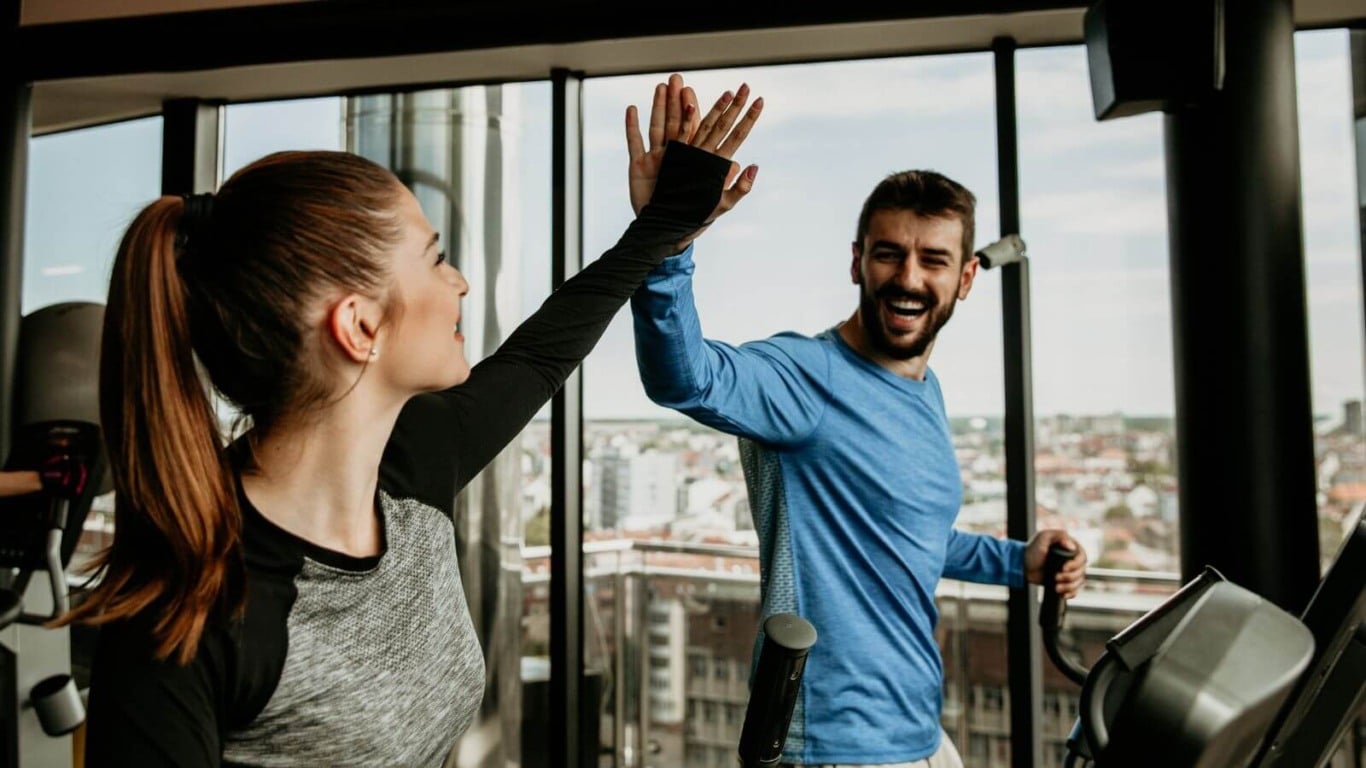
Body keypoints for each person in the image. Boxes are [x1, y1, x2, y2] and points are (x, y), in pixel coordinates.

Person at [60, 73, 762, 767]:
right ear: (360, 325)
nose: (457, 282)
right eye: (435, 259)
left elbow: (542, 354)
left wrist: (663, 226)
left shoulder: (408, 467)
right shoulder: (182, 619)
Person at [629, 136, 1089, 767]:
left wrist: (1020, 563)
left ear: (966, 278)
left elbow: (910, 534)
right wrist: (669, 237)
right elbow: (685, 376)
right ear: (857, 263)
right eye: (888, 254)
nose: (908, 277)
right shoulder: (804, 376)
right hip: (830, 749)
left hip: (922, 739)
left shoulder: (925, 391)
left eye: (933, 259)